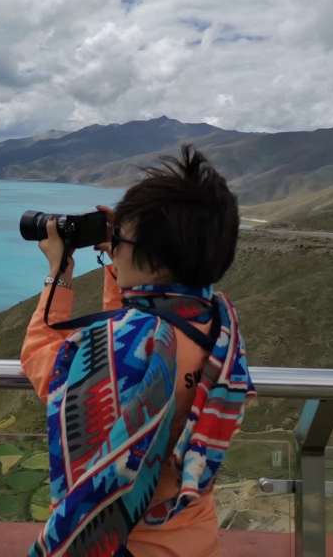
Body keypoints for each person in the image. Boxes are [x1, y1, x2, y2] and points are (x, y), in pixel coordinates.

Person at [21, 145, 254, 557]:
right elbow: (131, 343)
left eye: (119, 239)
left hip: (127, 544)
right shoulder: (217, 326)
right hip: (194, 534)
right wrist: (124, 259)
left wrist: (59, 274)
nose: (114, 245)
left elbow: (43, 359)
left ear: (154, 258)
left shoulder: (131, 343)